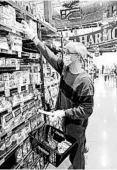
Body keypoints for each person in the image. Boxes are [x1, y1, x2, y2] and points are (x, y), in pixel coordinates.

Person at [22, 21, 94, 169]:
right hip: (66, 120)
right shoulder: (64, 69)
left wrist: (64, 112)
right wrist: (35, 38)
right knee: (73, 143)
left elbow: (87, 110)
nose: (64, 55)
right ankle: (83, 144)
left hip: (76, 124)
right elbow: (49, 56)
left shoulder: (84, 81)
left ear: (78, 57)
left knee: (76, 153)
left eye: (68, 53)